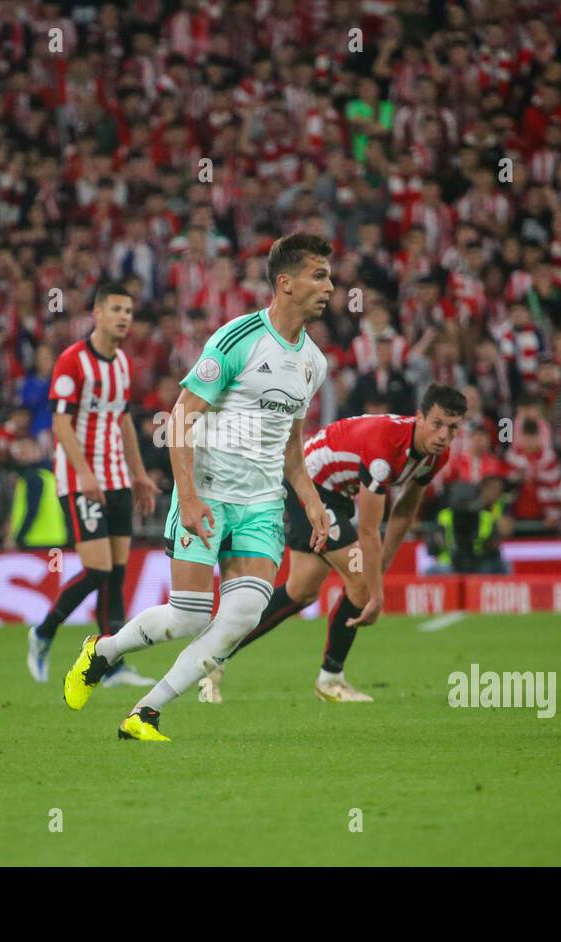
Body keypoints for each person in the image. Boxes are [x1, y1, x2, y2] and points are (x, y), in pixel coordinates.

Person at [61, 232, 333, 742]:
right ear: (285, 283)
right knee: (188, 617)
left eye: (328, 276)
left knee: (242, 616)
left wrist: (313, 503)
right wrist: (185, 495)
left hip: (260, 505)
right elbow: (181, 418)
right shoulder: (236, 340)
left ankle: (145, 712)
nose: (329, 286)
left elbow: (291, 449)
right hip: (205, 492)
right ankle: (101, 652)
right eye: (318, 275)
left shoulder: (313, 363)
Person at [199, 384, 467, 704]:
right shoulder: (385, 449)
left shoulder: (435, 454)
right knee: (361, 583)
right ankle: (331, 679)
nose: (444, 435)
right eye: (437, 424)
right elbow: (368, 530)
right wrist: (376, 591)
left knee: (301, 590)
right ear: (419, 418)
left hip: (335, 496)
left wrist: (383, 562)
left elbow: (406, 509)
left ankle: (213, 655)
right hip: (310, 488)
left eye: (452, 428)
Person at [25, 283, 159, 688]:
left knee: (116, 573)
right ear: (97, 313)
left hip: (117, 476)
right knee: (98, 568)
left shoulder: (121, 363)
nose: (124, 317)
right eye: (116, 309)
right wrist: (84, 473)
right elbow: (61, 423)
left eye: (129, 311)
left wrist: (138, 474)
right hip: (80, 478)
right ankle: (43, 632)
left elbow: (123, 421)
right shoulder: (72, 361)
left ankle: (111, 665)